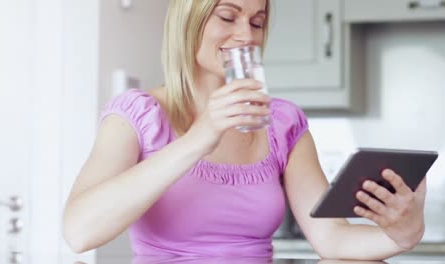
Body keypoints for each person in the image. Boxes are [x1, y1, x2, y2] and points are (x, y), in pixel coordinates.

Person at [63, 0, 427, 260]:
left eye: (257, 22)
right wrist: (199, 139)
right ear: (190, 19)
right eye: (227, 16)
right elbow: (80, 233)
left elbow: (332, 240)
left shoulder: (282, 123)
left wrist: (403, 234)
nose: (246, 35)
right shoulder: (138, 114)